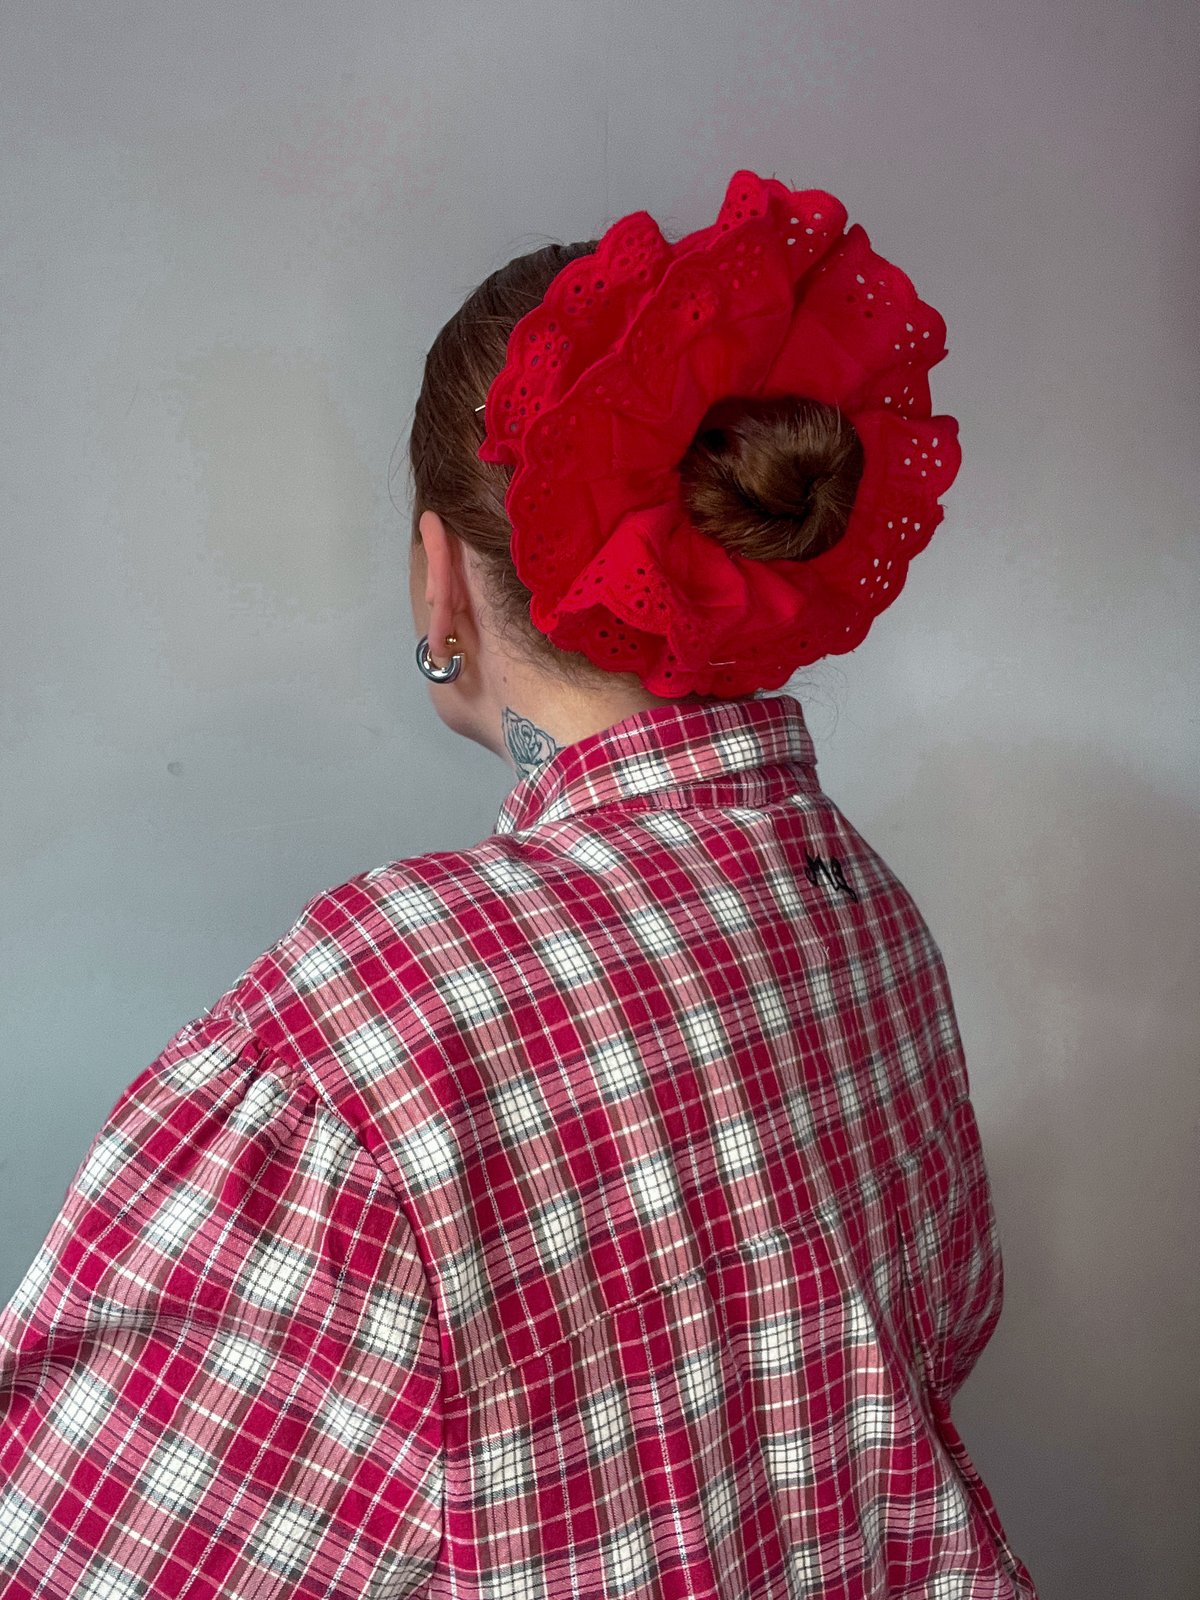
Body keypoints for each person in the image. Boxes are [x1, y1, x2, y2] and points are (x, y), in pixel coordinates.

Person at [0, 169, 1038, 1598]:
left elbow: (74, 1560)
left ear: (439, 576)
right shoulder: (861, 911)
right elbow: (944, 1335)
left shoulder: (377, 1025)